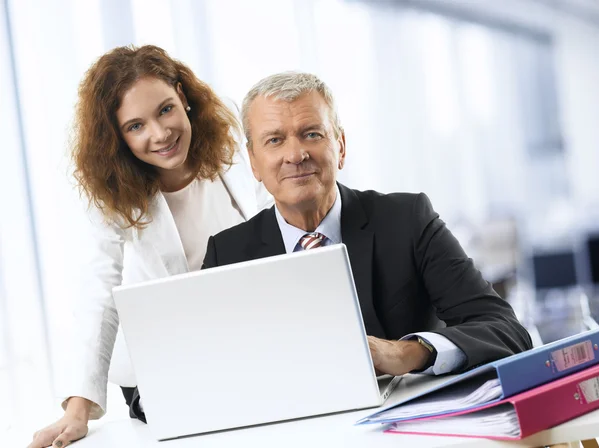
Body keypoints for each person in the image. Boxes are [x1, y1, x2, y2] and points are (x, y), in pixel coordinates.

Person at [202, 72, 533, 379]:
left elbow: (506, 330)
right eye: (274, 140)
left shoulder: (407, 219)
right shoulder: (227, 253)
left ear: (341, 146)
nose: (296, 154)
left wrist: (410, 351)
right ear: (254, 163)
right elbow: (207, 369)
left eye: (312, 134)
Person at [28, 45, 271, 448]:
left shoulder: (226, 122)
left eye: (165, 110)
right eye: (135, 126)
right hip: (164, 358)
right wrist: (77, 408)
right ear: (117, 136)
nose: (160, 134)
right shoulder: (111, 190)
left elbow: (272, 209)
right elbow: (98, 288)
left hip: (247, 331)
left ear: (182, 95)